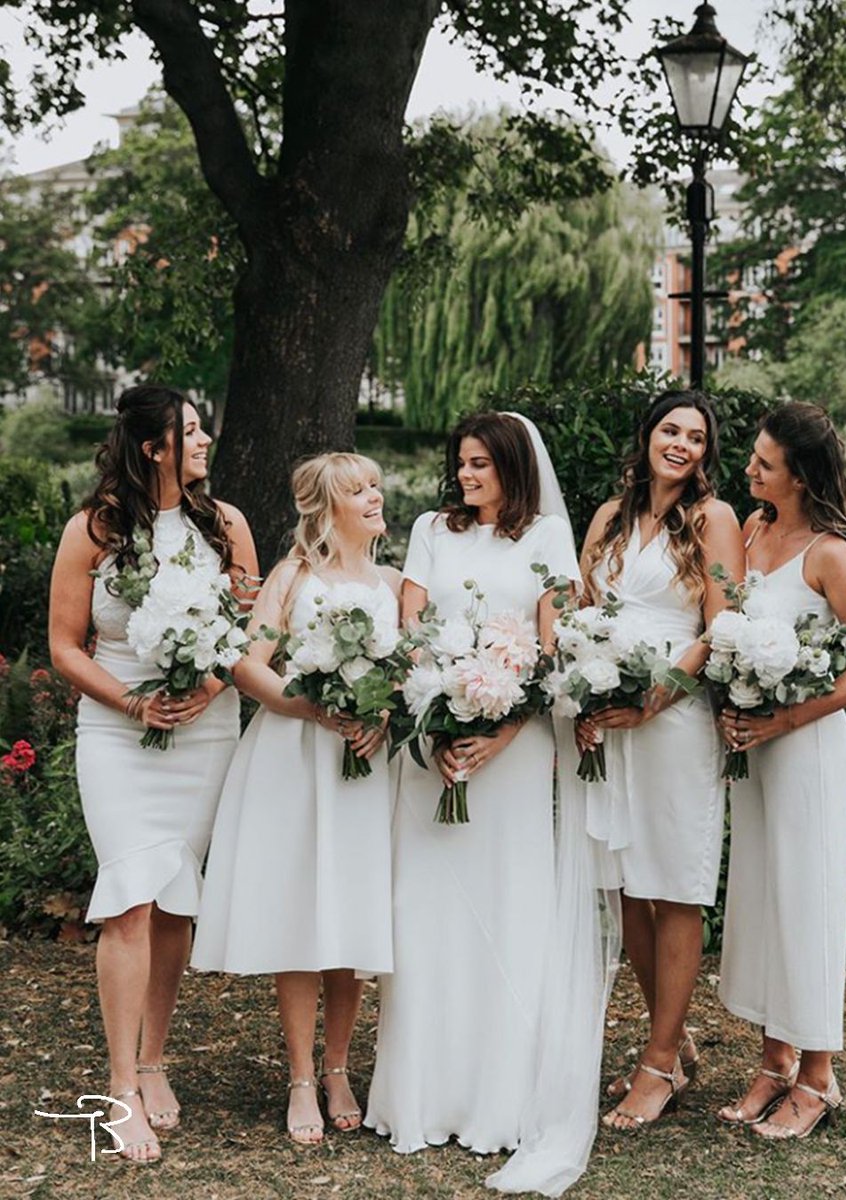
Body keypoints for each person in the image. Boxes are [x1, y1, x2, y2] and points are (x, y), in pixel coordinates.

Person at [364, 411, 583, 1162]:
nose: (465, 474)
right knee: (426, 910)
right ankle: (421, 1094)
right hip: (434, 745)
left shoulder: (548, 538)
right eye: (460, 462)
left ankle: (502, 1097)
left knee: (507, 901)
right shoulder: (433, 529)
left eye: (481, 464)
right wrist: (433, 721)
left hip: (513, 752)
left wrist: (503, 732)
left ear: (513, 468)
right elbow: (412, 630)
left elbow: (552, 649)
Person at [49, 384, 257, 1163]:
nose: (204, 442)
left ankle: (153, 1060)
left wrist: (210, 689)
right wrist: (133, 702)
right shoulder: (94, 529)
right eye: (190, 431)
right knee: (129, 898)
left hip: (205, 731)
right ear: (153, 447)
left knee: (174, 901)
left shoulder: (225, 525)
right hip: (115, 730)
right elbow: (64, 645)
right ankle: (120, 1089)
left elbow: (249, 628)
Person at [192, 453, 400, 1145]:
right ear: (327, 507)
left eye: (375, 486)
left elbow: (407, 673)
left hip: (363, 763)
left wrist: (381, 714)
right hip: (295, 757)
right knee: (301, 915)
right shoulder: (293, 575)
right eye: (358, 490)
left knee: (352, 913)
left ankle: (339, 1068)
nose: (374, 497)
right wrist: (309, 706)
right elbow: (247, 663)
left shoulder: (393, 583)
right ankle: (302, 1078)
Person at [717, 401, 846, 1138]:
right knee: (764, 899)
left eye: (765, 464)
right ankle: (775, 1059)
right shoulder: (751, 531)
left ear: (800, 476)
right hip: (754, 750)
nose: (749, 469)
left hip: (807, 748)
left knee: (806, 901)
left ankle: (817, 1077)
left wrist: (786, 719)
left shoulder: (829, 553)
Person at [575, 390, 744, 1130]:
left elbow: (721, 624)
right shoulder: (609, 518)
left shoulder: (714, 519)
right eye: (671, 430)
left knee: (674, 886)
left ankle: (659, 1061)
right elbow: (580, 608)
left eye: (696, 437)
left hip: (673, 720)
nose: (681, 444)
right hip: (612, 718)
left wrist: (659, 696)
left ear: (707, 453)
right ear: (647, 436)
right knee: (624, 885)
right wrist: (583, 690)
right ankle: (668, 1045)